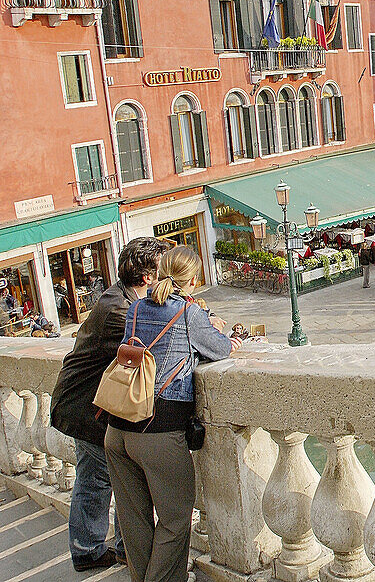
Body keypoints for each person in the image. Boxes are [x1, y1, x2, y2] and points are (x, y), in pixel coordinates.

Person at [104, 246, 235, 582]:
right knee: (175, 520)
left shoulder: (134, 307)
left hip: (117, 431)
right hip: (158, 429)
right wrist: (220, 330)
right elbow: (218, 349)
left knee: (133, 522)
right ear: (193, 279)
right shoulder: (187, 312)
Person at [51, 237, 170, 573]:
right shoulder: (118, 310)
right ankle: (86, 550)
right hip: (83, 408)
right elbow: (160, 343)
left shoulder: (127, 298)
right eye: (166, 269)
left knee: (115, 477)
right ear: (148, 277)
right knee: (97, 478)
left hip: (94, 406)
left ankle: (120, 547)